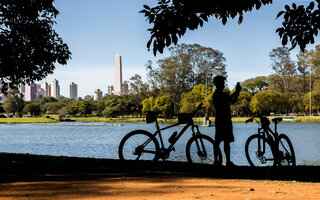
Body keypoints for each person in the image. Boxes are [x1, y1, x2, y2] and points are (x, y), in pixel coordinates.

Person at [212, 76, 241, 167]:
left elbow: (232, 101)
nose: (224, 84)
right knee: (218, 141)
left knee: (226, 141)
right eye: (222, 82)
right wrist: (236, 91)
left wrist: (237, 92)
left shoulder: (222, 94)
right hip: (222, 120)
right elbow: (229, 99)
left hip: (226, 120)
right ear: (218, 84)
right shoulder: (217, 94)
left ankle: (227, 161)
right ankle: (217, 161)